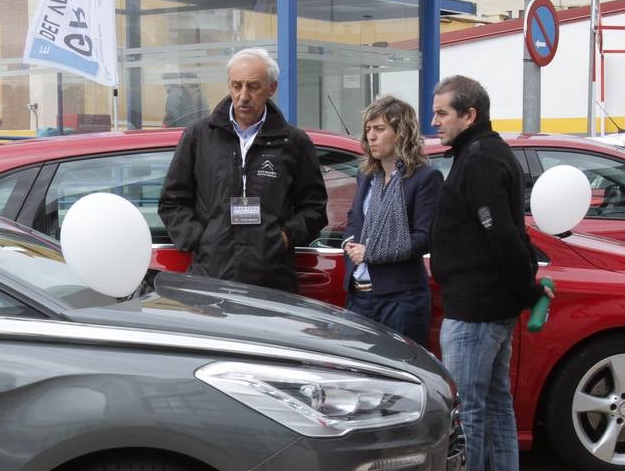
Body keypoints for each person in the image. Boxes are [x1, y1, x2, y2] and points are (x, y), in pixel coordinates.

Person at [429, 75, 553, 471]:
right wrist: (523, 291)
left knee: (473, 411)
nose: (435, 121)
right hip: (488, 304)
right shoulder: (484, 153)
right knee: (497, 406)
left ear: (469, 115)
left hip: (477, 308)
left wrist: (525, 290)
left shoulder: (480, 159)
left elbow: (500, 233)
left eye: (442, 113)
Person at [158, 48, 328, 292]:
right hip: (211, 279)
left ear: (272, 88)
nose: (243, 96)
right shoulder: (199, 136)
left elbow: (314, 208)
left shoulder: (293, 142)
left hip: (272, 283)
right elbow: (172, 202)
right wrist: (202, 240)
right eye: (237, 86)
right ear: (229, 85)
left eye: (253, 86)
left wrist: (282, 237)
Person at [341, 96, 442, 348]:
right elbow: (354, 219)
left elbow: (424, 238)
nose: (371, 136)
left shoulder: (425, 178)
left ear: (401, 133)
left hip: (400, 299)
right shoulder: (367, 176)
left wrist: (372, 252)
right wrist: (349, 243)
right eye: (368, 129)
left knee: (399, 375)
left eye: (380, 129)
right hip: (359, 295)